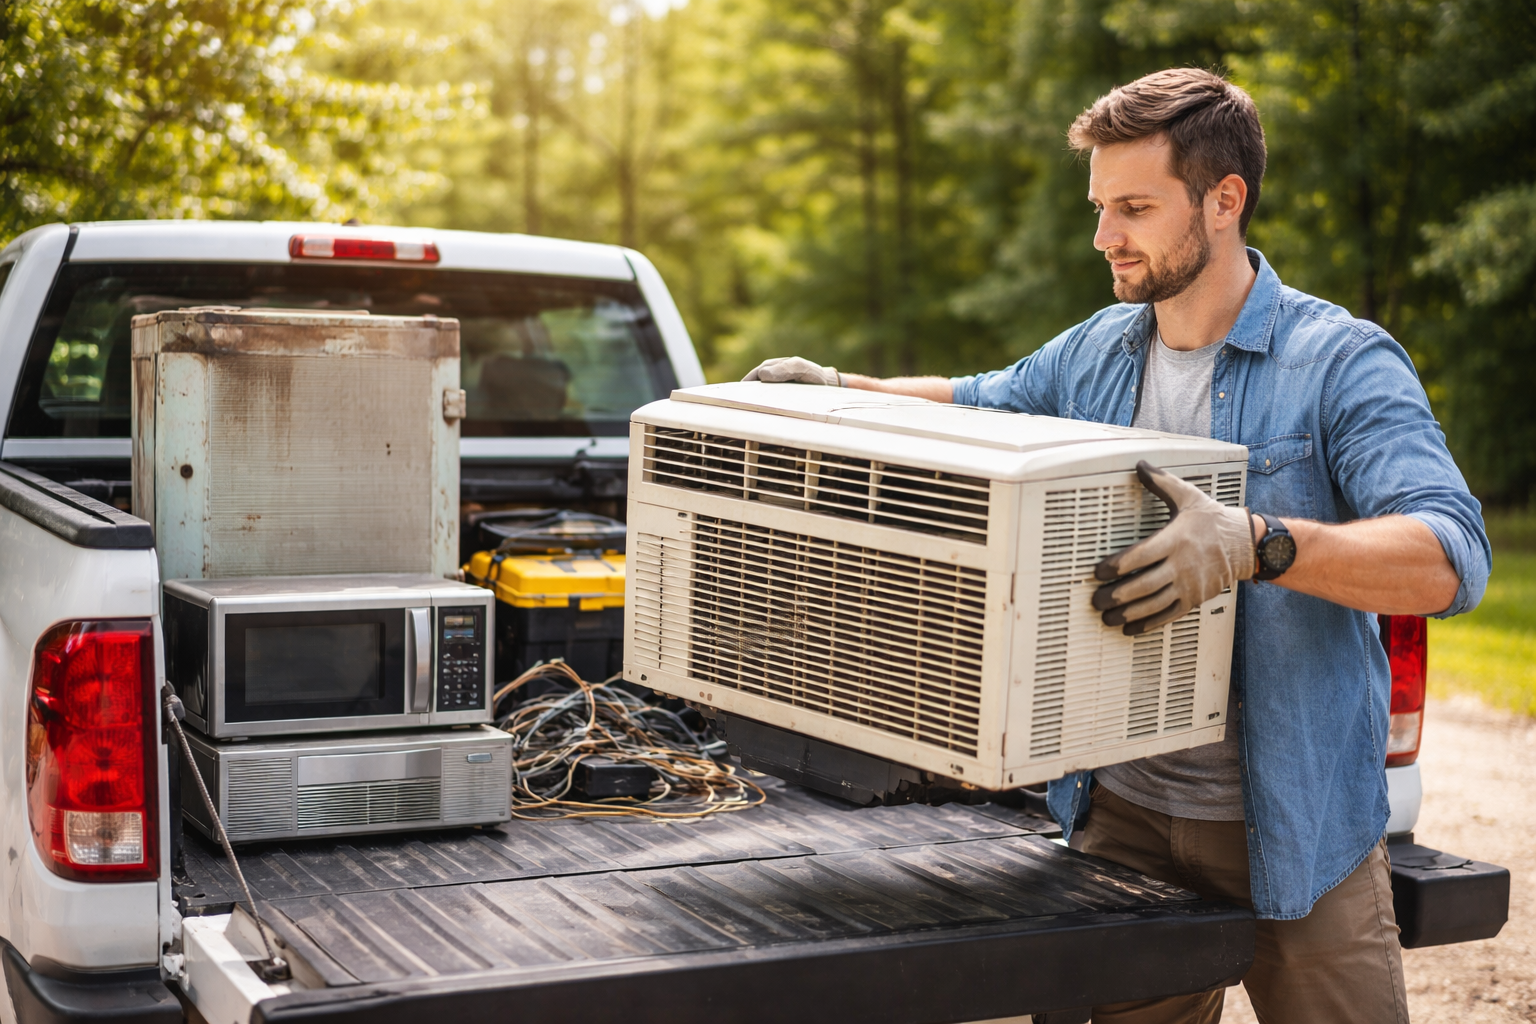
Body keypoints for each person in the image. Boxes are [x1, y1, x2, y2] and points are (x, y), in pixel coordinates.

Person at [742, 67, 1490, 1024]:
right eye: (1099, 207)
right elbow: (982, 399)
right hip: (1121, 820)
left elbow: (1450, 555)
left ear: (1226, 201)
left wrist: (1258, 543)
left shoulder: (1341, 361)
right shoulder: (1098, 349)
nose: (1104, 237)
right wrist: (840, 387)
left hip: (1297, 830)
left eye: (1133, 207)